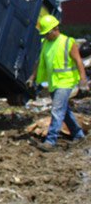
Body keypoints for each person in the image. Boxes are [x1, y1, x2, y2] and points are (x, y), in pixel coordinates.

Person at [30, 14, 88, 151]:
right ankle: (78, 135)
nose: (45, 36)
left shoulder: (68, 42)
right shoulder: (46, 43)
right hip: (53, 83)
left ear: (55, 29)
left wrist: (83, 80)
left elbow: (79, 61)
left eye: (47, 33)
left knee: (56, 110)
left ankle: (50, 141)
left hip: (66, 82)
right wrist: (32, 77)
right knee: (64, 110)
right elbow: (39, 62)